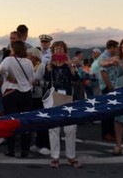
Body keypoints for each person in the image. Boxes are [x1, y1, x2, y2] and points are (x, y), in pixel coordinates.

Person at [44, 40, 82, 169]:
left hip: (68, 97)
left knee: (70, 128)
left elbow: (76, 79)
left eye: (61, 49)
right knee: (54, 128)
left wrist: (70, 64)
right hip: (54, 98)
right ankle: (55, 157)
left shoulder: (69, 65)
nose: (58, 51)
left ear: (65, 51)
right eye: (56, 49)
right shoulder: (51, 66)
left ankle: (71, 156)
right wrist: (49, 67)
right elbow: (46, 80)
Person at [0, 41, 34, 158]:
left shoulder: (9, 60)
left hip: (11, 92)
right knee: (25, 121)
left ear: (14, 49)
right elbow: (31, 78)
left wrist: (8, 76)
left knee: (10, 121)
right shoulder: (28, 62)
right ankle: (25, 150)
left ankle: (11, 149)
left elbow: (1, 69)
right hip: (26, 93)